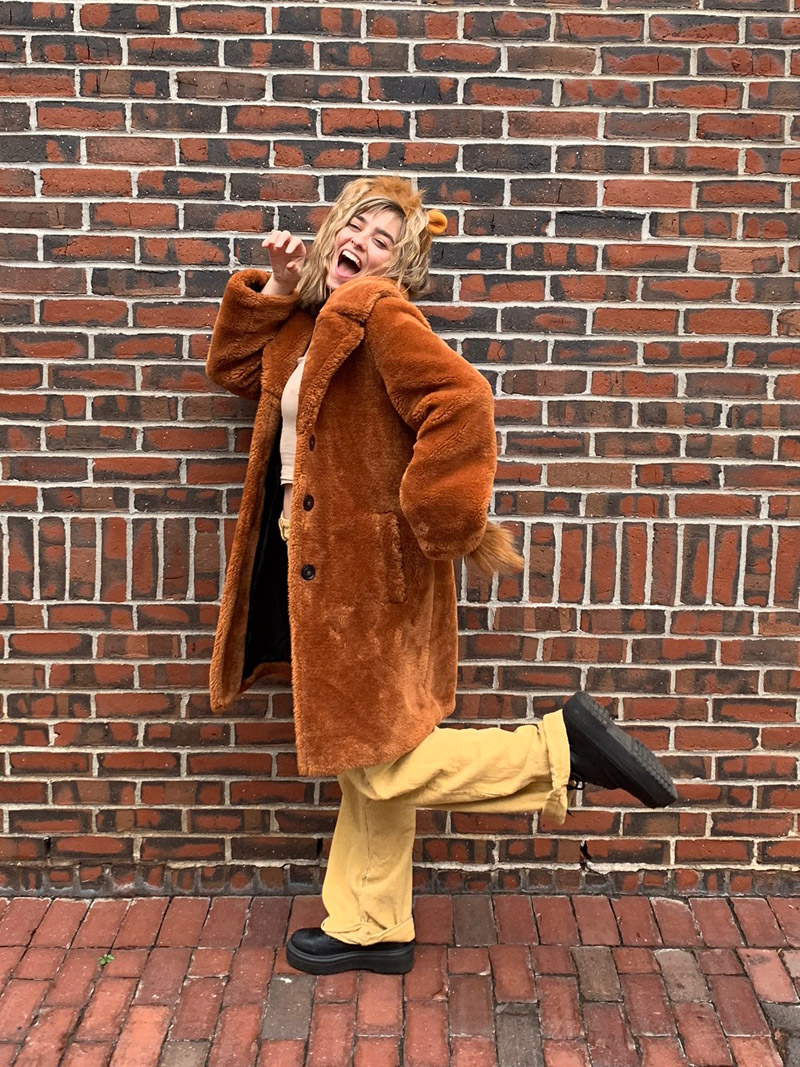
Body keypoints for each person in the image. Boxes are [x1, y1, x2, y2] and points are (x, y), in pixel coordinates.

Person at [205, 175, 677, 976]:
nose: (364, 242)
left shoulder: (378, 312)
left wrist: (436, 517)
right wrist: (276, 292)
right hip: (317, 563)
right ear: (331, 233)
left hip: (366, 572)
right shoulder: (314, 322)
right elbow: (232, 370)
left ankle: (556, 750)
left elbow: (462, 402)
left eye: (385, 241)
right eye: (356, 225)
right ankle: (371, 922)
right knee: (370, 751)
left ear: (401, 267)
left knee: (383, 759)